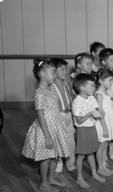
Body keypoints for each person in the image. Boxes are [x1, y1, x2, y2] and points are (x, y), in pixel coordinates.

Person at [21, 58, 70, 192]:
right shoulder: (39, 93)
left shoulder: (51, 89)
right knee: (46, 158)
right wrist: (47, 136)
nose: (55, 75)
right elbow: (40, 115)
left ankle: (51, 177)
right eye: (53, 73)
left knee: (55, 155)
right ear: (42, 74)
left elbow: (56, 107)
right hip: (45, 129)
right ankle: (44, 183)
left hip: (55, 126)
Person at [72, 73, 106, 188]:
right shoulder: (77, 101)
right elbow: (80, 120)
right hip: (82, 131)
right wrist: (90, 113)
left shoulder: (91, 98)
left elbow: (97, 110)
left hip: (92, 128)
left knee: (91, 153)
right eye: (91, 85)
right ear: (82, 87)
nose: (94, 88)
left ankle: (94, 173)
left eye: (94, 85)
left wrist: (100, 113)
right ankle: (79, 178)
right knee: (81, 156)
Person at [95, 68, 113, 176]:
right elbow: (100, 112)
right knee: (101, 147)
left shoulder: (106, 92)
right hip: (103, 123)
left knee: (104, 145)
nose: (111, 83)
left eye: (112, 80)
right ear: (101, 81)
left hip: (107, 121)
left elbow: (111, 100)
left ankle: (103, 164)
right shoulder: (99, 94)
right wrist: (105, 128)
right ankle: (100, 168)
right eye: (109, 80)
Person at [50, 58, 76, 173]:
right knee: (58, 141)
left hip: (68, 115)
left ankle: (71, 162)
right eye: (61, 69)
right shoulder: (51, 86)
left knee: (71, 140)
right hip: (58, 117)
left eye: (65, 69)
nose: (65, 72)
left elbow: (69, 97)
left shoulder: (66, 83)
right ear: (53, 71)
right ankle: (58, 161)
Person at [99, 48, 113, 165]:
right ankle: (103, 159)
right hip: (104, 108)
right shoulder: (100, 75)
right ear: (103, 62)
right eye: (111, 59)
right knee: (104, 133)